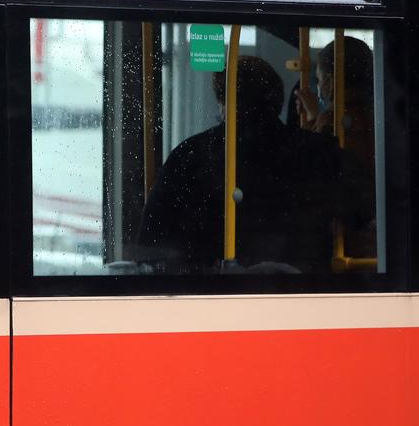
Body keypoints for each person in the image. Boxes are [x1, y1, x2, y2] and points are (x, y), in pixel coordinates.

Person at [135, 54, 361, 272]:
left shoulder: (190, 156)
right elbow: (363, 212)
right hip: (305, 288)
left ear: (224, 101)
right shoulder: (317, 152)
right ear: (278, 100)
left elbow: (151, 244)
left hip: (213, 288)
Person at [295, 36, 377, 259]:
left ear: (331, 81)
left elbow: (318, 166)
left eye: (319, 79)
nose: (319, 86)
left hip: (346, 238)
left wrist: (315, 120)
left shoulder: (333, 119)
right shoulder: (378, 113)